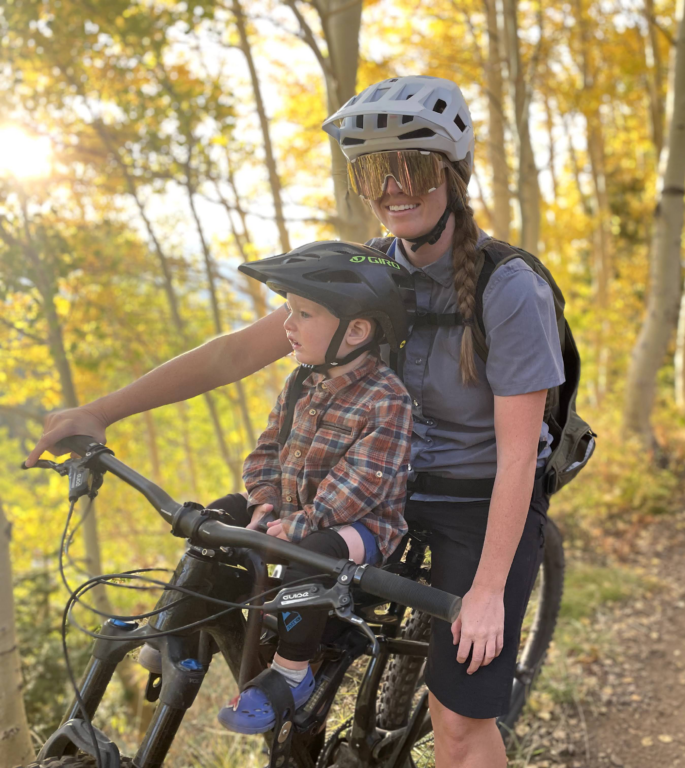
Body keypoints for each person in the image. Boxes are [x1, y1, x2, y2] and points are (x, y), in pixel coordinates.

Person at [27, 75, 564, 768]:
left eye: (412, 166)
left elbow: (518, 458)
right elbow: (231, 354)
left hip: (478, 500)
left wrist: (486, 592)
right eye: (373, 171)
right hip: (370, 486)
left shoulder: (508, 287)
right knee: (230, 565)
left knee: (459, 724)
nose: (393, 188)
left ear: (453, 174)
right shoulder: (362, 273)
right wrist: (100, 411)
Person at [157, 241, 416, 734]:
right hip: (292, 510)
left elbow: (360, 485)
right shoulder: (300, 383)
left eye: (303, 313)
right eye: (289, 311)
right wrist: (262, 504)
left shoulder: (387, 399)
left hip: (360, 528)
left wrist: (299, 525)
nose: (287, 325)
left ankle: (292, 672)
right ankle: (177, 617)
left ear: (356, 330)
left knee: (312, 554)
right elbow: (267, 452)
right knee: (219, 514)